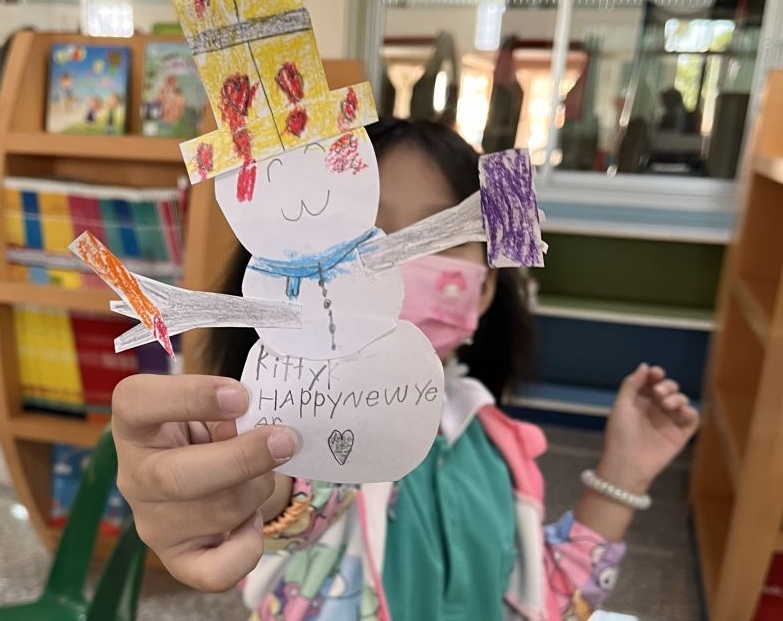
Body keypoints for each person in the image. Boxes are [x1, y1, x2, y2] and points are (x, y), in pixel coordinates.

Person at [110, 118, 698, 620]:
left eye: (440, 235)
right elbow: (298, 499)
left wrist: (625, 471)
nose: (400, 259)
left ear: (487, 284)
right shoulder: (304, 421)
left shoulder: (498, 445)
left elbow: (535, 599)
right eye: (370, 234)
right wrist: (234, 485)